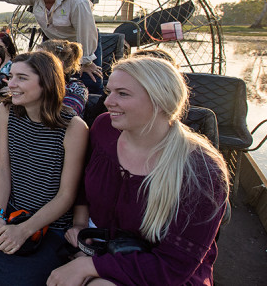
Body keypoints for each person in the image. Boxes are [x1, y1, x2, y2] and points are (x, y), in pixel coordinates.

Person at [48, 57, 229, 286]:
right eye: (109, 92)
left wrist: (89, 266)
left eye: (122, 94)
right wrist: (80, 224)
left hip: (160, 272)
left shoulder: (202, 172)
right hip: (102, 246)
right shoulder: (104, 128)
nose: (108, 101)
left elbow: (173, 267)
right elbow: (85, 182)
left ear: (160, 100)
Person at [0, 51, 89, 286]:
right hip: (10, 213)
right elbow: (3, 169)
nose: (11, 84)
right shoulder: (5, 112)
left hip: (50, 226)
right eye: (11, 76)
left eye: (22, 78)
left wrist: (25, 230)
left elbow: (66, 195)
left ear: (46, 82)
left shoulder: (74, 128)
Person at [38, 39, 89, 116]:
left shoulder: (76, 89)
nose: (32, 63)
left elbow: (66, 116)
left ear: (58, 64)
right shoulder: (30, 81)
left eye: (40, 61)